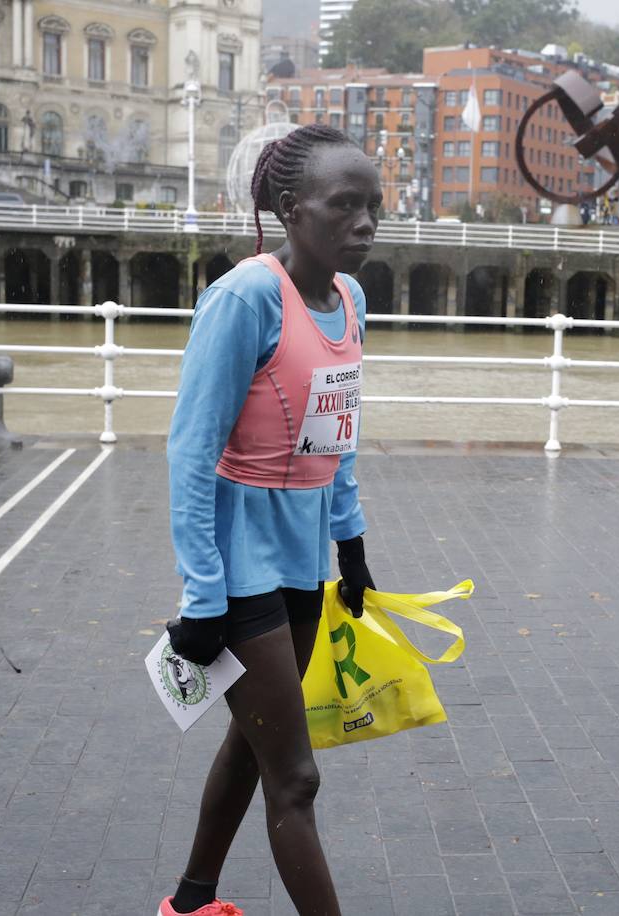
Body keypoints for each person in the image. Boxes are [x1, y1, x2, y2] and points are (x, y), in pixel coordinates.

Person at [161, 123, 381, 916]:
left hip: (302, 560)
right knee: (295, 774)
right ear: (291, 209)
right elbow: (191, 454)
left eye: (375, 207)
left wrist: (348, 541)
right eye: (344, 205)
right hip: (237, 565)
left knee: (252, 747)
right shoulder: (244, 298)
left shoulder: (352, 298)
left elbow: (339, 428)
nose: (365, 224)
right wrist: (201, 597)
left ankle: (189, 905)